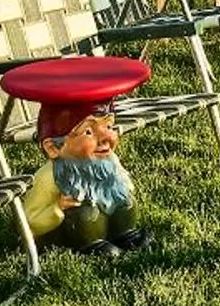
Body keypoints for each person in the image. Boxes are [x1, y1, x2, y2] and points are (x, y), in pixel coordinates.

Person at [29, 102, 148, 254]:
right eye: (88, 132)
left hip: (106, 215)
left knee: (125, 201)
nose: (105, 138)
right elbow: (30, 220)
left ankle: (124, 235)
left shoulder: (109, 161)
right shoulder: (49, 177)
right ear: (53, 148)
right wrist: (57, 207)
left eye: (108, 127)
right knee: (86, 213)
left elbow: (124, 183)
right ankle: (91, 245)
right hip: (67, 232)